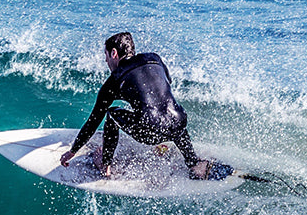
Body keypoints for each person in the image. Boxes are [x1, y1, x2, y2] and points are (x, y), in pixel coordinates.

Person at [60, 32, 212, 179]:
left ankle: (105, 164)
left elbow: (94, 121)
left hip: (150, 132)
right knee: (169, 111)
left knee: (112, 114)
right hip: (178, 124)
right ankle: (194, 163)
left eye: (106, 56)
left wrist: (73, 151)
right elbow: (166, 83)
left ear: (114, 53)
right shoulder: (154, 59)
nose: (106, 62)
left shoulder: (116, 78)